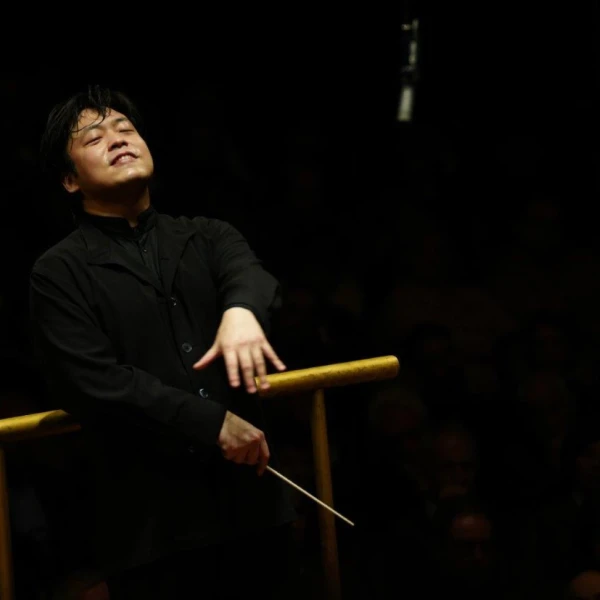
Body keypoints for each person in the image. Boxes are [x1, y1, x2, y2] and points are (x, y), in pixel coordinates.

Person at [29, 85, 297, 599]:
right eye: (94, 138)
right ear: (69, 179)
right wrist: (211, 421)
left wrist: (241, 311)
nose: (118, 140)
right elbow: (93, 381)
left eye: (126, 129)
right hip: (152, 529)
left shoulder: (208, 235)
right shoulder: (57, 271)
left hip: (252, 508)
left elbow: (250, 275)